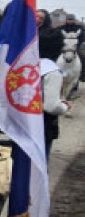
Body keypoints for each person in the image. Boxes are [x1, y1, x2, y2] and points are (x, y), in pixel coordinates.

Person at [39, 27, 71, 158]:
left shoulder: (29, 66)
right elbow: (51, 106)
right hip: (43, 123)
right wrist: (64, 107)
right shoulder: (52, 72)